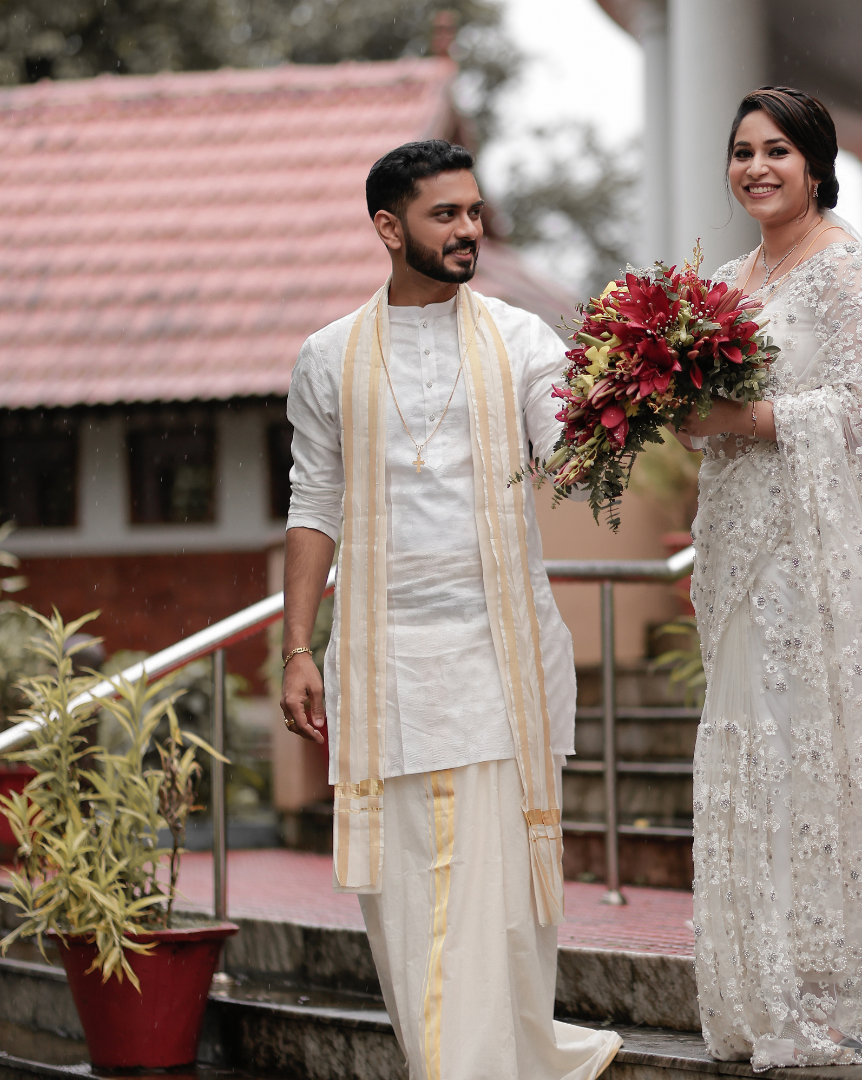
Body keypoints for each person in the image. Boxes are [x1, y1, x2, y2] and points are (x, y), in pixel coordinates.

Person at [279, 139, 621, 1080]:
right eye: (446, 215)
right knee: (405, 901)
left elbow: (573, 452)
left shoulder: (521, 339)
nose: (469, 229)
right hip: (384, 664)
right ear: (389, 228)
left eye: (474, 211)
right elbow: (313, 505)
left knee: (494, 899)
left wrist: (625, 401)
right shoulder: (329, 356)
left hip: (498, 654)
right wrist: (296, 648)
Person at [675, 88, 862, 1068]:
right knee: (745, 755)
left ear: (817, 162)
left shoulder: (848, 268)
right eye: (741, 151)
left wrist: (738, 421)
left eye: (776, 150)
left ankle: (819, 998)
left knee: (801, 764)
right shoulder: (734, 277)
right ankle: (753, 995)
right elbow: (714, 407)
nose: (755, 167)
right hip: (740, 545)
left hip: (813, 555)